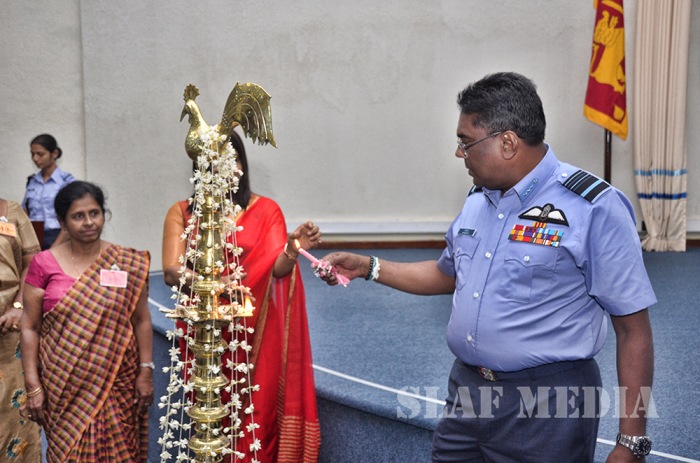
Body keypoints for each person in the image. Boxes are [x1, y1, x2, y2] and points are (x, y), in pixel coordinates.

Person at [320, 72, 655, 463]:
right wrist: (368, 266)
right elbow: (447, 274)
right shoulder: (479, 199)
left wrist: (631, 442)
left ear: (507, 142)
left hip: (547, 404)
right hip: (467, 394)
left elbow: (633, 330)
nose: (459, 153)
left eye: (466, 142)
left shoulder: (593, 207)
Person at [162, 130, 322, 463]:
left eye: (232, 159)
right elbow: (172, 271)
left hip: (254, 327)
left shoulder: (266, 210)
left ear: (242, 164)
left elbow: (277, 269)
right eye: (216, 161)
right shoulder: (183, 213)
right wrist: (217, 285)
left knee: (256, 415)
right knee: (207, 415)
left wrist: (293, 249)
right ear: (201, 168)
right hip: (203, 331)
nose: (226, 169)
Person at [20, 181, 154, 462]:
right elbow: (30, 327)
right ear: (63, 222)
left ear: (104, 214)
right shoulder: (44, 264)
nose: (89, 222)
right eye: (78, 216)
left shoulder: (126, 261)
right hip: (63, 385)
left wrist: (146, 371)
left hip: (117, 382)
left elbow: (142, 320)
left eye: (94, 213)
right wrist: (33, 385)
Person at [0, 197, 42, 462]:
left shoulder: (12, 211)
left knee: (14, 410)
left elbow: (33, 262)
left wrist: (18, 305)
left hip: (9, 328)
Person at [22, 133, 76, 250]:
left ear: (54, 153)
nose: (35, 159)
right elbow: (25, 212)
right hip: (34, 237)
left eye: (40, 154)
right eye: (32, 154)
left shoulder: (66, 181)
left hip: (59, 237)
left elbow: (72, 217)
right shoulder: (32, 181)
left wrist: (54, 249)